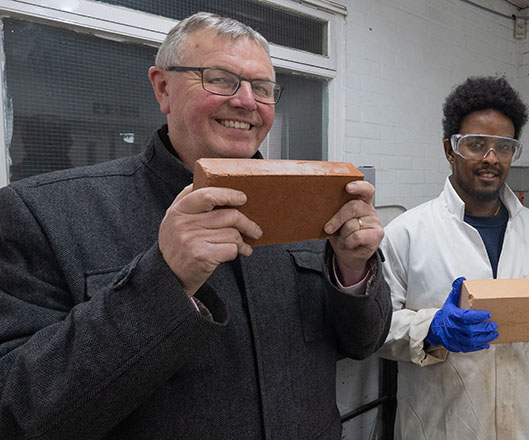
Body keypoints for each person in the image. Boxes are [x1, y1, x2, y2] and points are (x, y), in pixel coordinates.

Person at [0, 12, 391, 439]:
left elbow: (363, 342)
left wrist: (354, 272)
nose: (246, 101)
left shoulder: (313, 204)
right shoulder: (46, 214)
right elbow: (21, 414)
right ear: (163, 87)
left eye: (262, 88)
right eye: (220, 79)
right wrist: (164, 281)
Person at [378, 76, 529, 440]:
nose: (490, 158)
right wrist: (432, 329)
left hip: (528, 424)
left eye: (503, 147)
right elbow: (377, 328)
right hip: (442, 426)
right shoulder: (406, 233)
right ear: (449, 149)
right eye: (475, 145)